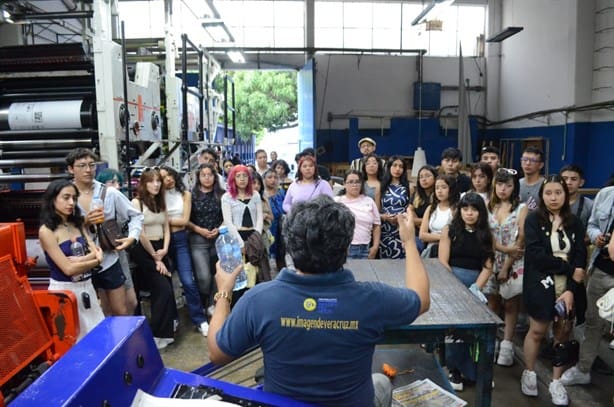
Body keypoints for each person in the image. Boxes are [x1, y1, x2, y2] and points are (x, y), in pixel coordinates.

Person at [207, 195, 430, 406]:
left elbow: (217, 353)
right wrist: (409, 241)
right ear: (345, 245)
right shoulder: (372, 299)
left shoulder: (259, 299)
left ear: (291, 245)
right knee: (381, 382)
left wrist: (224, 293)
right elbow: (421, 299)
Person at [521, 175, 587, 405]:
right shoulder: (533, 220)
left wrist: (571, 288)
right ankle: (529, 372)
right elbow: (536, 255)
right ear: (542, 196)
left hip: (567, 286)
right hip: (540, 282)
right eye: (548, 193)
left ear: (565, 194)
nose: (553, 197)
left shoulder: (575, 222)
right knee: (537, 330)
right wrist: (569, 268)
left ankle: (556, 381)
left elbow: (580, 255)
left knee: (563, 331)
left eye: (558, 192)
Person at [66, 148, 143, 317]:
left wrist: (132, 237)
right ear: (71, 169)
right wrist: (85, 221)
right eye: (82, 166)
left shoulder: (109, 193)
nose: (88, 170)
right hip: (78, 259)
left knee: (121, 308)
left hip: (108, 257)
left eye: (91, 165)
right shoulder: (65, 195)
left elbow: (135, 215)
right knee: (88, 312)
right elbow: (56, 225)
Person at [438, 192, 495, 391]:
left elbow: (488, 266)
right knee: (454, 330)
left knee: (473, 332)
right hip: (451, 281)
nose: (469, 213)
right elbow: (443, 261)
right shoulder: (450, 230)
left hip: (475, 285)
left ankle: (472, 371)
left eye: (474, 209)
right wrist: (455, 287)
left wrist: (476, 288)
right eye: (465, 208)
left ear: (481, 212)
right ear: (459, 210)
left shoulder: (487, 234)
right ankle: (453, 369)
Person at [560, 184, 614, 385]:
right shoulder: (606, 195)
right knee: (592, 321)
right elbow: (591, 225)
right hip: (601, 269)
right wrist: (596, 238)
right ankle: (583, 369)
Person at [39, 179, 105, 341]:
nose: (71, 203)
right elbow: (68, 269)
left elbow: (94, 250)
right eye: (66, 197)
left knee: (98, 336)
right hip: (64, 292)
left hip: (87, 287)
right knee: (73, 342)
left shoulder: (77, 223)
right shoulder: (46, 231)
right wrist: (95, 260)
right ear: (53, 199)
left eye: (74, 198)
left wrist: (79, 260)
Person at [159, 166, 209, 337]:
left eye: (170, 175)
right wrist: (170, 221)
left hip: (180, 240)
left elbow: (185, 220)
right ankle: (173, 320)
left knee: (188, 281)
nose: (168, 179)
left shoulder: (185, 194)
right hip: (161, 240)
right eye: (163, 177)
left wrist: (165, 220)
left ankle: (199, 320)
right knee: (166, 285)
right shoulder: (157, 196)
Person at [131, 168, 176, 350]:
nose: (156, 184)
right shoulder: (136, 203)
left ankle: (166, 332)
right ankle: (156, 332)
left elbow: (166, 228)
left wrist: (164, 249)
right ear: (144, 183)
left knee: (166, 289)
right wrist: (156, 258)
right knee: (163, 288)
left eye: (158, 181)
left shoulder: (160, 202)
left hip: (161, 249)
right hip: (144, 251)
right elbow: (140, 234)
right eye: (152, 181)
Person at [489, 168, 528, 367]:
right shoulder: (489, 206)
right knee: (493, 302)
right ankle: (493, 341)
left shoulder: (522, 208)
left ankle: (507, 344)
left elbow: (521, 238)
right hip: (491, 259)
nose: (503, 189)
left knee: (511, 304)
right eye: (500, 184)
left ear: (515, 187)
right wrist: (504, 249)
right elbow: (486, 235)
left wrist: (506, 266)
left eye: (508, 185)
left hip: (514, 260)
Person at [95, 168, 138, 316]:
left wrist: (132, 237)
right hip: (101, 254)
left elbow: (135, 217)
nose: (117, 186)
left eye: (118, 182)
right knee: (108, 305)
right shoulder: (99, 198)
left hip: (119, 251)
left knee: (131, 301)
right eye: (112, 182)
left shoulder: (117, 198)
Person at [221, 165, 264, 301]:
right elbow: (228, 221)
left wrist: (256, 238)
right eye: (238, 176)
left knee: (257, 273)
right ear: (233, 179)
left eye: (245, 176)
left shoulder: (255, 195)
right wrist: (240, 244)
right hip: (236, 238)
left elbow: (260, 218)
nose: (242, 179)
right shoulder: (227, 197)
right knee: (238, 275)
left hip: (254, 236)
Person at [188, 163, 225, 317]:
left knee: (217, 273)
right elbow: (187, 219)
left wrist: (220, 228)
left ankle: (212, 304)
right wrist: (199, 230)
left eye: (210, 174)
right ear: (198, 177)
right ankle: (202, 301)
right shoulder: (192, 195)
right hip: (198, 239)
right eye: (203, 175)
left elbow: (227, 216)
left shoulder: (222, 194)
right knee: (204, 277)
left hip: (219, 238)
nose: (207, 178)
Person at [335, 170, 381, 259]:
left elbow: (377, 225)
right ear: (344, 184)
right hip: (344, 249)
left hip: (366, 249)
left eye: (357, 182)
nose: (354, 184)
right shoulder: (337, 201)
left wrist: (375, 247)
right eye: (351, 182)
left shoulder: (369, 201)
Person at [419, 175, 459, 258]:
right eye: (437, 188)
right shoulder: (431, 208)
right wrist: (442, 237)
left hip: (449, 251)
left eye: (444, 187)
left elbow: (456, 237)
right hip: (431, 250)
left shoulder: (456, 209)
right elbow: (422, 235)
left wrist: (433, 237)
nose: (439, 191)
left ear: (451, 189)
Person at [380, 156, 410, 259]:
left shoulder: (408, 187)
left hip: (401, 228)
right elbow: (376, 210)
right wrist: (384, 217)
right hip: (385, 229)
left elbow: (411, 210)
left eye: (401, 166)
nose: (397, 169)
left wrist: (401, 217)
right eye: (395, 165)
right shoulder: (381, 186)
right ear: (388, 167)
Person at [410, 165, 437, 252]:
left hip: (435, 233)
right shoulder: (416, 195)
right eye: (421, 177)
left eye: (427, 176)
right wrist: (425, 222)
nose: (424, 179)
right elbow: (410, 216)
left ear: (435, 178)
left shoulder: (439, 195)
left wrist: (419, 221)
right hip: (417, 233)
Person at [560, 164, 593, 230]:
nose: (568, 182)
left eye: (573, 179)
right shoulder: (551, 201)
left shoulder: (589, 205)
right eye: (564, 179)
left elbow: (592, 230)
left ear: (581, 182)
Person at [519, 146, 546, 211]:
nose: (528, 163)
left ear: (541, 165)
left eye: (532, 160)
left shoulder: (546, 185)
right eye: (525, 160)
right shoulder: (516, 184)